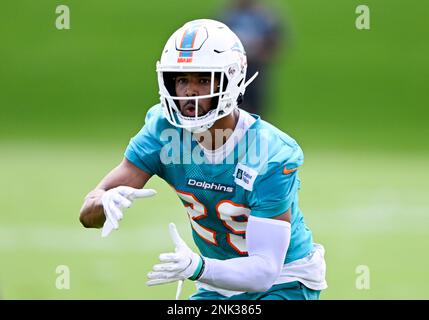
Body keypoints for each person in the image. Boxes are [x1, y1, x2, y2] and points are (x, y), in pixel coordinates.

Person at [79, 19, 327, 300]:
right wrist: (103, 202)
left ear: (231, 79)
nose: (189, 92)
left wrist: (199, 267)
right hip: (216, 281)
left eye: (202, 79)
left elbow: (265, 271)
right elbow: (88, 216)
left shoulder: (270, 152)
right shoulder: (163, 130)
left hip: (284, 280)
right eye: (182, 80)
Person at [219, 0, 283, 116]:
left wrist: (262, 54)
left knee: (256, 105)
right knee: (233, 102)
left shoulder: (264, 15)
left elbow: (275, 41)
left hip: (255, 67)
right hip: (234, 69)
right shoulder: (229, 15)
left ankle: (255, 131)